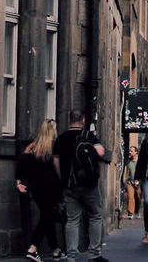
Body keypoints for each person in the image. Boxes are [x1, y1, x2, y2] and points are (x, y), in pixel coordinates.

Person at [53, 110, 108, 261]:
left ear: (69, 120)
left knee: (72, 220)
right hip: (89, 185)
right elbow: (101, 152)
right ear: (83, 120)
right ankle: (94, 254)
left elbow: (56, 163)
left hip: (70, 186)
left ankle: (71, 256)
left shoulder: (60, 138)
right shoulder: (89, 136)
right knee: (95, 216)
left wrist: (63, 180)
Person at [16, 120, 64, 261]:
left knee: (47, 215)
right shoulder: (54, 147)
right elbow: (57, 169)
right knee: (47, 216)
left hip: (36, 188)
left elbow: (22, 164)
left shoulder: (33, 147)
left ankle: (55, 249)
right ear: (53, 131)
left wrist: (19, 181)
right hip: (51, 188)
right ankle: (33, 248)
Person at [123, 146, 140, 219]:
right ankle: (130, 213)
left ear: (136, 152)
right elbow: (125, 172)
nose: (129, 152)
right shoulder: (128, 162)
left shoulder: (140, 162)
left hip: (139, 182)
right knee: (130, 197)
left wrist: (139, 181)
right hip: (130, 182)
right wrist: (125, 181)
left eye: (131, 151)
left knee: (138, 198)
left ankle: (137, 211)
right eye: (129, 151)